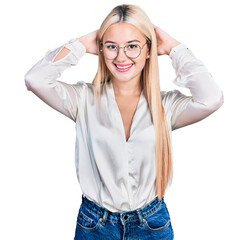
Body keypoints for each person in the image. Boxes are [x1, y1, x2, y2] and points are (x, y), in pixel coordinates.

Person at [24, 4, 224, 240]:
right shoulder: (83, 99)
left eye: (132, 46)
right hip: (94, 225)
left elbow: (211, 99)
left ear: (149, 50)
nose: (121, 56)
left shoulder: (166, 106)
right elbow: (35, 79)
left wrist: (174, 48)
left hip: (152, 224)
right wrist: (79, 45)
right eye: (111, 47)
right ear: (101, 49)